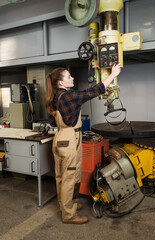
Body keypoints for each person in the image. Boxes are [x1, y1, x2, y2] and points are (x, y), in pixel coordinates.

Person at [45, 64, 121, 224]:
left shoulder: (54, 97)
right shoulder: (68, 96)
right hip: (70, 139)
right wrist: (112, 75)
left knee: (61, 177)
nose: (72, 78)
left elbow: (52, 122)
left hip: (59, 137)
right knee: (70, 178)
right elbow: (93, 91)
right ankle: (69, 215)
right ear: (60, 83)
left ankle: (66, 205)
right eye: (68, 77)